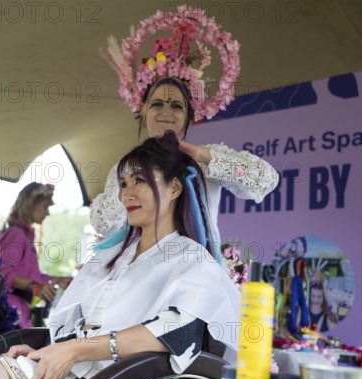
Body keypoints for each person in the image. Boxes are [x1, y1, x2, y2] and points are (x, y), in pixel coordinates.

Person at [0, 133, 241, 379]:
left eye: (140, 181)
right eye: (123, 184)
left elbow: (178, 332)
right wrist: (48, 352)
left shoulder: (190, 259)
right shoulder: (110, 257)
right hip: (71, 368)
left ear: (174, 188)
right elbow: (75, 324)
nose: (127, 194)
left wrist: (73, 351)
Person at [93, 5, 279, 250]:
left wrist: (203, 155)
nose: (166, 112)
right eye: (157, 104)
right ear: (143, 111)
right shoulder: (126, 167)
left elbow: (266, 180)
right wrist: (132, 182)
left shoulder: (205, 158)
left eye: (177, 106)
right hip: (139, 271)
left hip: (197, 271)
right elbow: (102, 224)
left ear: (190, 115)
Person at [0, 183, 72, 328]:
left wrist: (56, 279)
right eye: (45, 207)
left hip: (21, 311)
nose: (47, 213)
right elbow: (2, 272)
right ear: (30, 205)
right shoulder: (15, 233)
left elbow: (29, 275)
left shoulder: (24, 233)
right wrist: (36, 287)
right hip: (11, 313)